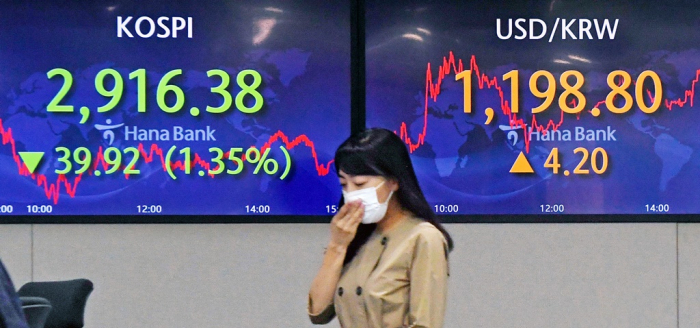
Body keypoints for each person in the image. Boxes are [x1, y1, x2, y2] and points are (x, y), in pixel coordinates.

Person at [308, 128, 453, 328]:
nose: (351, 194)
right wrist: (337, 246)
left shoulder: (423, 237)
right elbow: (318, 312)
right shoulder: (360, 237)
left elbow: (424, 323)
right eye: (344, 184)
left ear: (393, 181)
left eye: (360, 184)